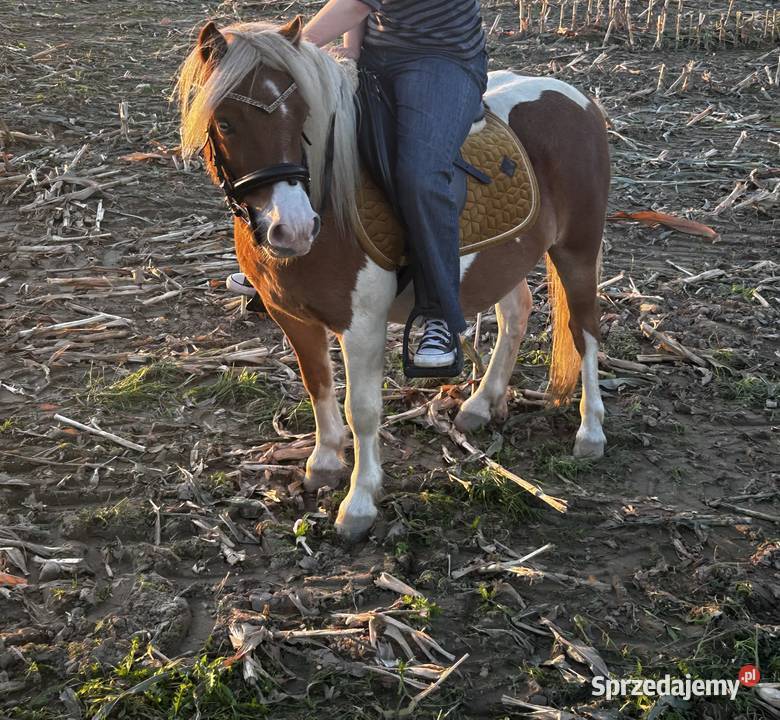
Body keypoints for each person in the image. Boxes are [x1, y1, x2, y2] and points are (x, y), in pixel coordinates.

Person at [227, 0, 487, 372]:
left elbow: (356, 4)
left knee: (420, 174)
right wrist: (351, 48)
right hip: (379, 56)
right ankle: (275, 244)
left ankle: (440, 314)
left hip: (442, 60)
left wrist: (288, 48)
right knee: (292, 131)